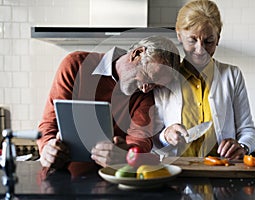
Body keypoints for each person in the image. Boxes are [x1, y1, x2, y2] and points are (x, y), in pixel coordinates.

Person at [37, 35, 180, 172]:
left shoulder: (145, 96)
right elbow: (49, 123)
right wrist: (47, 148)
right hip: (63, 173)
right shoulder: (76, 65)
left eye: (155, 86)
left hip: (114, 178)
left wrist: (126, 155)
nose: (145, 89)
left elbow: (140, 140)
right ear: (137, 54)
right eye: (148, 77)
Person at [153, 0, 255, 159]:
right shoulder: (164, 78)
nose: (200, 50)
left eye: (209, 41)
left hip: (221, 172)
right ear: (179, 35)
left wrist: (242, 146)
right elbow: (152, 138)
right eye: (192, 40)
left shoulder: (232, 75)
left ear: (218, 38)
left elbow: (248, 131)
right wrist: (165, 135)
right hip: (176, 175)